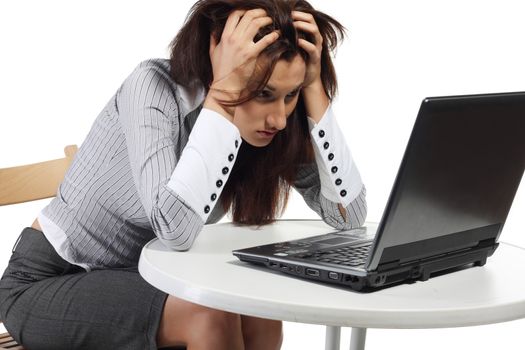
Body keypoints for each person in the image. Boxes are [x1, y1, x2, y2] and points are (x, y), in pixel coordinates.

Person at [0, 0, 366, 349]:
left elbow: (348, 216)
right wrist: (223, 97)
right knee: (211, 317)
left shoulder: (269, 128)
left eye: (291, 96)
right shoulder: (152, 87)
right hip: (48, 281)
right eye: (264, 93)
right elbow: (173, 229)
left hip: (145, 279)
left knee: (259, 313)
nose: (279, 119)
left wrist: (316, 90)